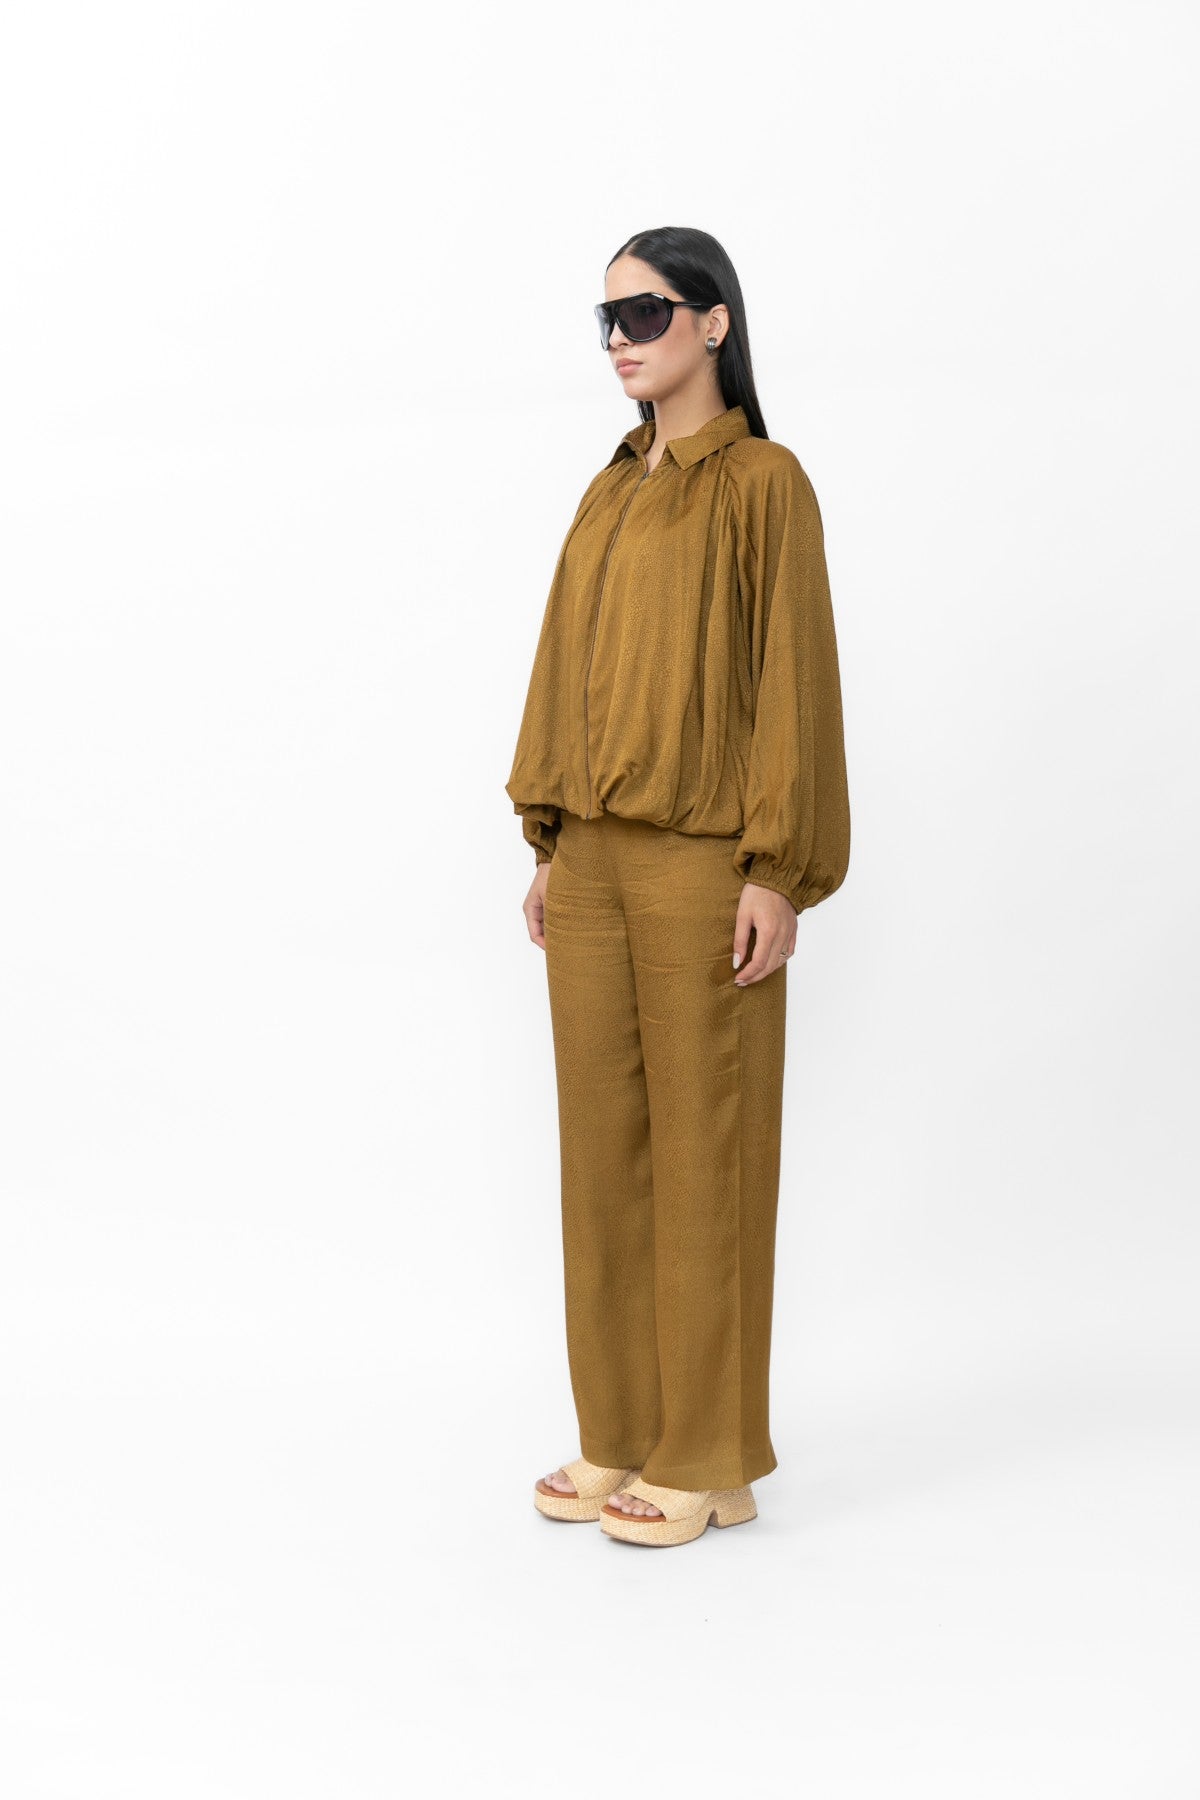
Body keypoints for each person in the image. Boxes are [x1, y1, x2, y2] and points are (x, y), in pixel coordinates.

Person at [504, 225, 851, 1548]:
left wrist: (777, 870)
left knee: (709, 1155)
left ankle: (708, 1456)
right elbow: (562, 658)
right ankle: (620, 1434)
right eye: (605, 319)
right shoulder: (608, 489)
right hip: (590, 859)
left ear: (714, 322)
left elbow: (791, 678)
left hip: (706, 862)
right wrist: (549, 838)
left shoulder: (764, 483)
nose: (620, 339)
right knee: (600, 1154)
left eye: (645, 312)